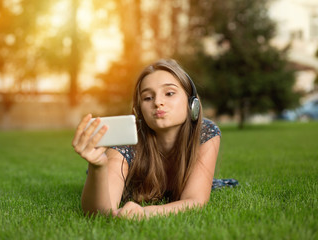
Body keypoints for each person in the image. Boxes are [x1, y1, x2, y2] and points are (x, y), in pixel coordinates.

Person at [72, 59, 235, 219]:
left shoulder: (205, 132)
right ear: (140, 110)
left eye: (169, 93)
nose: (158, 102)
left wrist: (145, 213)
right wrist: (98, 167)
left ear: (191, 103)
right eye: (148, 98)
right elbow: (101, 212)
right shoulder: (127, 140)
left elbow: (195, 200)